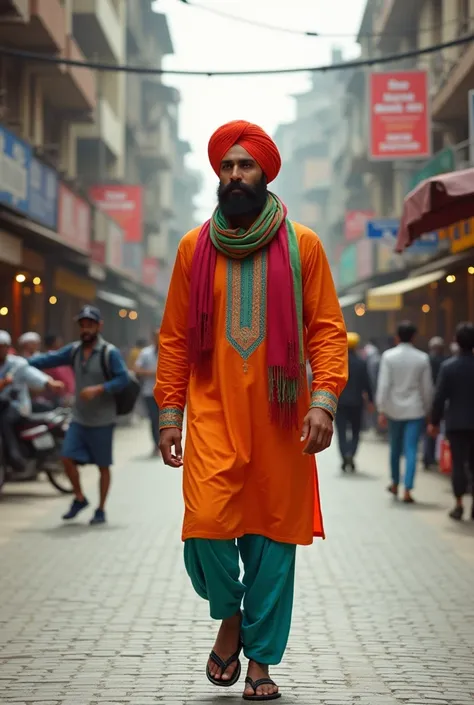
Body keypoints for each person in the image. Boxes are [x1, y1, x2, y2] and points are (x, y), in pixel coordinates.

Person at [155, 120, 348, 701]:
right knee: (206, 528)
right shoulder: (193, 248)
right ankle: (230, 616)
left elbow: (328, 331)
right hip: (213, 416)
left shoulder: (305, 245)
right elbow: (173, 341)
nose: (235, 176)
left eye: (246, 166)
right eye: (227, 167)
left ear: (265, 173)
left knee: (272, 545)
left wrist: (325, 401)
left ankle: (261, 663)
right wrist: (170, 414)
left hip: (282, 420)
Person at [30, 306, 129, 525]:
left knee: (103, 466)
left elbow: (124, 379)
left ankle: (101, 509)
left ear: (99, 326)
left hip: (103, 419)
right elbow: (48, 360)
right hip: (80, 418)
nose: (86, 329)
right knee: (66, 457)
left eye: (90, 324)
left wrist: (99, 389)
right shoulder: (73, 351)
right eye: (82, 324)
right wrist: (20, 364)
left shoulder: (108, 353)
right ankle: (79, 497)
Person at [376, 321, 433, 503]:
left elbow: (383, 385)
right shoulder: (422, 358)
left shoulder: (388, 357)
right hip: (415, 409)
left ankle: (394, 483)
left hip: (393, 409)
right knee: (411, 449)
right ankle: (407, 488)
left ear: (397, 337)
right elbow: (427, 388)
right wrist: (428, 409)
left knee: (395, 448)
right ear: (414, 337)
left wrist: (381, 409)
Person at [428, 322, 474, 521]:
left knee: (458, 465)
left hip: (455, 423)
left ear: (456, 341)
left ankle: (458, 504)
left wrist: (434, 422)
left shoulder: (448, 366)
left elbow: (439, 397)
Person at [0, 330, 63, 470]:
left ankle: (14, 455)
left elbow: (33, 375)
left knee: (5, 420)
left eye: (1, 346)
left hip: (17, 407)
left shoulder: (17, 364)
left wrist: (49, 383)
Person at [336, 332, 373, 472]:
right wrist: (371, 400)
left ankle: (344, 454)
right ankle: (351, 452)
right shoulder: (361, 363)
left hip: (340, 403)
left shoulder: (338, 363)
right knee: (356, 431)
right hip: (357, 404)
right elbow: (367, 384)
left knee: (341, 432)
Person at [134, 328, 160, 456]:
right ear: (152, 338)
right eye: (156, 336)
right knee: (154, 419)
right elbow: (137, 369)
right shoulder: (145, 353)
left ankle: (163, 443)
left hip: (166, 393)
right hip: (149, 392)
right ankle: (156, 444)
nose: (158, 339)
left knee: (164, 419)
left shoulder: (169, 351)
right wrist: (152, 373)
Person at [423, 336, 447, 469]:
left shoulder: (426, 360)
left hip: (429, 399)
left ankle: (428, 457)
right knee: (439, 431)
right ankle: (436, 457)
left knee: (428, 430)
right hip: (440, 400)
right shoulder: (446, 361)